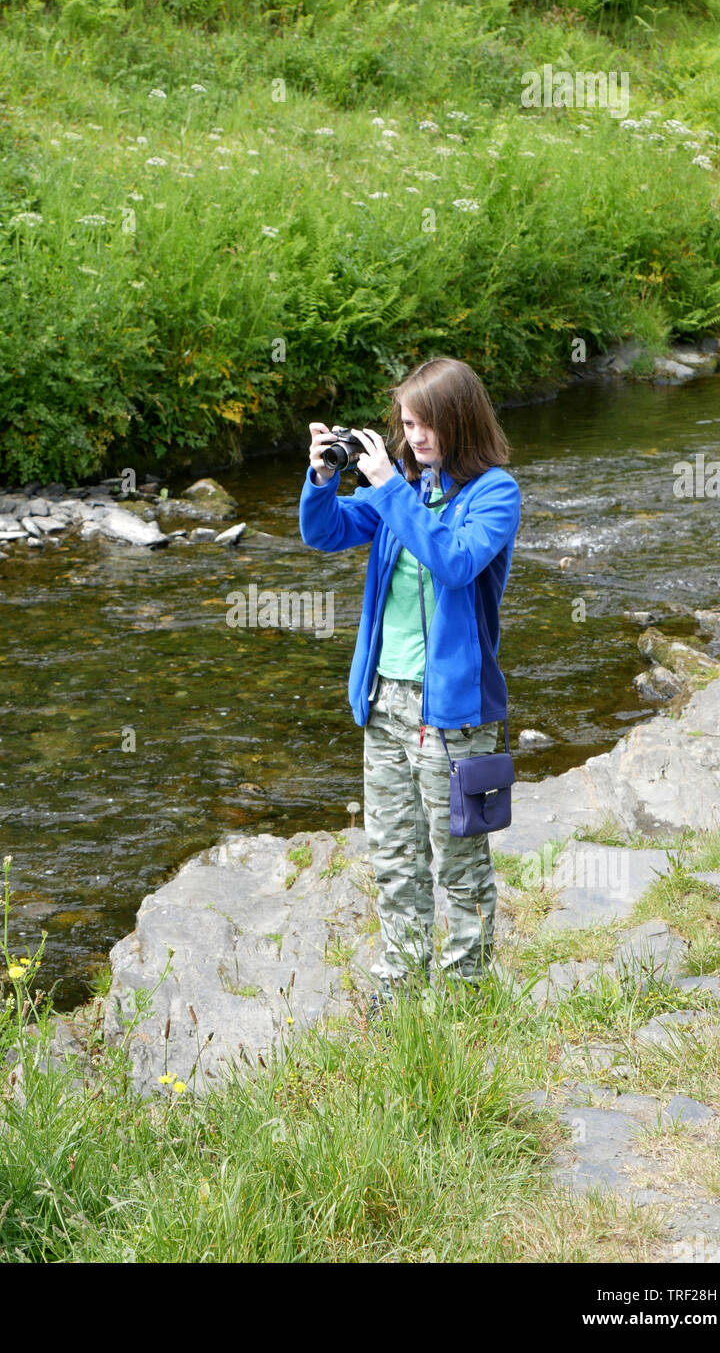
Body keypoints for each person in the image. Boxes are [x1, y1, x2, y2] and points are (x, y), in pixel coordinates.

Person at [298, 357, 521, 1002]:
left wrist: (391, 488)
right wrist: (324, 476)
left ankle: (468, 992)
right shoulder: (407, 487)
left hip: (452, 711)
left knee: (459, 859)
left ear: (458, 420)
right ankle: (399, 990)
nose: (413, 436)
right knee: (395, 858)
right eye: (406, 423)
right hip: (383, 700)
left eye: (424, 424)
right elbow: (325, 531)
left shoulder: (494, 493)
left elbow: (453, 563)